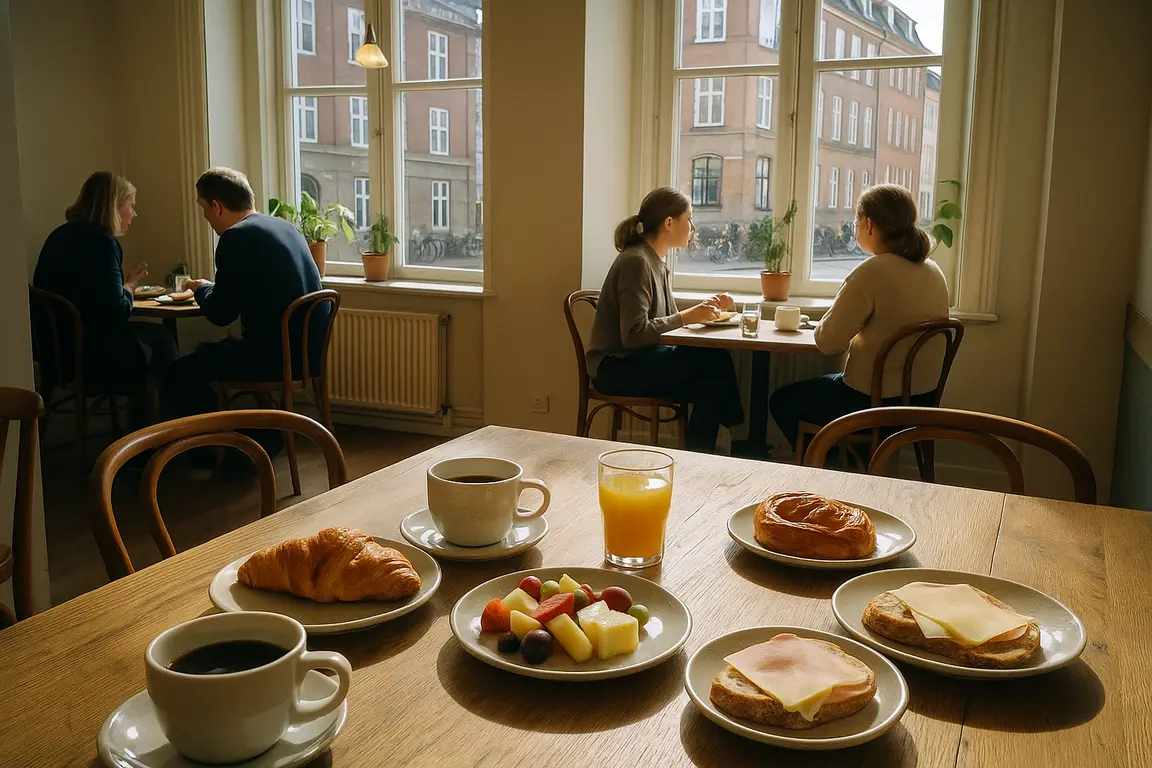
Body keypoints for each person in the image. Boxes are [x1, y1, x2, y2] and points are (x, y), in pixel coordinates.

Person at [769, 184, 950, 453]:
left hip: (871, 404)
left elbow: (828, 342)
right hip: (920, 401)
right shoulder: (933, 271)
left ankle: (828, 471)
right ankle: (856, 465)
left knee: (782, 400)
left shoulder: (873, 271)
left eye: (857, 221)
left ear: (868, 224)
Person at [164, 167, 329, 445]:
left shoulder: (236, 237)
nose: (205, 217)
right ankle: (262, 436)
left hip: (271, 360)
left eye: (203, 208)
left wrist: (200, 288)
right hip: (306, 354)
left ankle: (220, 448)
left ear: (216, 206)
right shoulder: (285, 227)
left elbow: (221, 313)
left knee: (179, 373)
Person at [586, 186, 744, 453]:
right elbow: (634, 334)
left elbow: (668, 323)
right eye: (689, 218)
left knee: (711, 378)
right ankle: (734, 442)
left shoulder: (655, 261)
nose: (693, 227)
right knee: (715, 366)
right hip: (614, 367)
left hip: (637, 359)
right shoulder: (636, 262)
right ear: (669, 223)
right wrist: (688, 315)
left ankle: (707, 454)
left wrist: (705, 309)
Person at [32, 171, 178, 425]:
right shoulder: (102, 244)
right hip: (93, 356)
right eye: (130, 206)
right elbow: (117, 312)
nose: (134, 214)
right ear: (113, 206)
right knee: (164, 340)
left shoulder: (59, 235)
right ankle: (150, 433)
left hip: (52, 353)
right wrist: (130, 285)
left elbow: (84, 295)